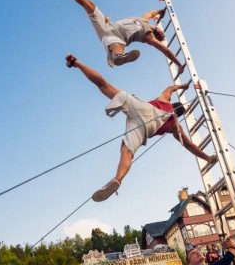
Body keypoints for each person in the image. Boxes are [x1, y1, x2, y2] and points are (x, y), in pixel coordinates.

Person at [65, 55, 216, 201]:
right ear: (181, 115)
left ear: (173, 104)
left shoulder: (165, 100)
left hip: (142, 110)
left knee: (105, 85)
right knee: (127, 153)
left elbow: (170, 88)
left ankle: (75, 62)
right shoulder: (175, 127)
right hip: (144, 129)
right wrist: (208, 158)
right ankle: (118, 178)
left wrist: (184, 86)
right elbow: (189, 146)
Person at [56, 0, 184, 76]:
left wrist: (178, 64)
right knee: (89, 5)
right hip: (108, 25)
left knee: (118, 44)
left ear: (156, 36)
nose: (160, 33)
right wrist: (161, 11)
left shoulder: (149, 36)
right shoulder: (145, 19)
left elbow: (165, 50)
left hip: (114, 37)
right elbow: (151, 12)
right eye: (162, 32)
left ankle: (118, 57)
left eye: (160, 36)